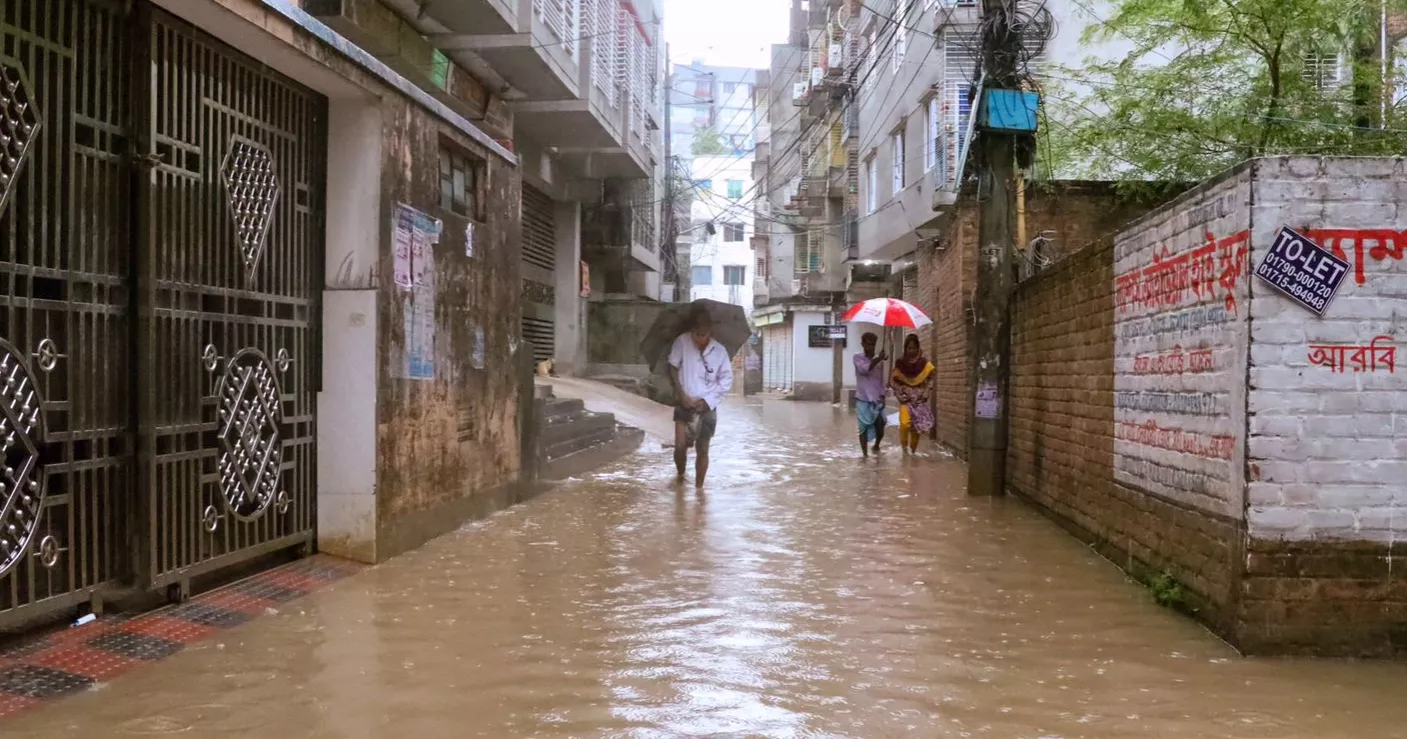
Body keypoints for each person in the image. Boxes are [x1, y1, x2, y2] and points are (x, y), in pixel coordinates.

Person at [667, 308, 734, 487]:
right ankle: (681, 474)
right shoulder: (681, 342)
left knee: (703, 449)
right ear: (692, 330)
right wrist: (681, 394)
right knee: (680, 447)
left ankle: (699, 489)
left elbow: (726, 380)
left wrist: (707, 402)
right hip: (684, 402)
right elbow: (672, 367)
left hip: (708, 406)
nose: (700, 339)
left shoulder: (720, 351)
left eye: (704, 334)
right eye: (697, 334)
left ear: (710, 331)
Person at [890, 334, 936, 453]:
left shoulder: (924, 363)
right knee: (904, 424)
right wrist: (899, 395)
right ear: (905, 349)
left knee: (916, 427)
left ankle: (913, 452)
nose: (911, 351)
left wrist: (927, 391)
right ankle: (904, 449)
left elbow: (931, 377)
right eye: (909, 348)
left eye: (914, 348)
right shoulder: (900, 363)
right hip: (905, 399)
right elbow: (894, 381)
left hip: (919, 400)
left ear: (918, 348)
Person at [853, 332, 888, 457]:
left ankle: (877, 445)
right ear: (862, 344)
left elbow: (882, 380)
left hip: (877, 398)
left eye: (872, 345)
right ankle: (864, 455)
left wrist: (883, 395)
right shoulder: (857, 357)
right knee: (863, 427)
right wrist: (878, 358)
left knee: (881, 423)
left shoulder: (880, 361)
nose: (870, 347)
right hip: (862, 398)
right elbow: (864, 370)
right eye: (867, 344)